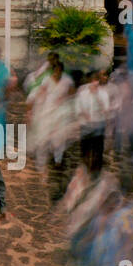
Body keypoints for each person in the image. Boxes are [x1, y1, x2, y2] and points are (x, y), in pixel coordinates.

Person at [29, 58, 75, 204]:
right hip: (47, 111)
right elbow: (41, 94)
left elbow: (72, 93)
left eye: (59, 72)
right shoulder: (47, 80)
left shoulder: (67, 80)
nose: (57, 74)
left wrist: (65, 99)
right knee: (43, 139)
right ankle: (41, 165)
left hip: (61, 113)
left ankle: (57, 159)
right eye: (55, 72)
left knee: (59, 138)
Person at [74, 69, 111, 171]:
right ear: (90, 81)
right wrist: (83, 114)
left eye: (97, 80)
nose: (95, 82)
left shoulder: (103, 94)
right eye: (93, 80)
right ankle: (84, 170)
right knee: (85, 150)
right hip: (86, 126)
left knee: (97, 152)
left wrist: (97, 97)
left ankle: (95, 172)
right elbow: (77, 108)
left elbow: (106, 109)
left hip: (99, 125)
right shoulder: (82, 94)